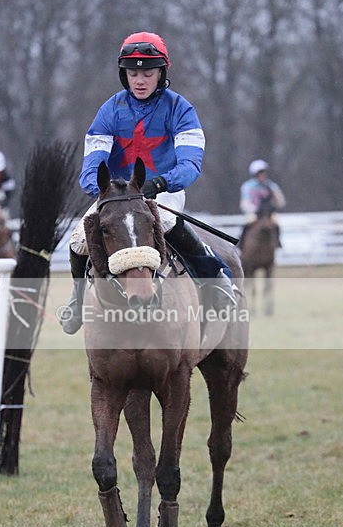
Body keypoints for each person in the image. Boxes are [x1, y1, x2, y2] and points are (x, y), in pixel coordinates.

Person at [60, 30, 237, 334]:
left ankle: (216, 280)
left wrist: (160, 183)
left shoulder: (181, 109)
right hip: (115, 195)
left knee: (167, 222)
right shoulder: (109, 110)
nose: (140, 80)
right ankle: (77, 301)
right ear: (123, 75)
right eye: (133, 73)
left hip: (161, 192)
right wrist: (101, 188)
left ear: (161, 73)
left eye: (148, 72)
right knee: (78, 239)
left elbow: (190, 164)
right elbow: (91, 166)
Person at [239, 159, 286, 249]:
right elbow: (244, 203)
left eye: (264, 172)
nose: (263, 174)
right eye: (260, 172)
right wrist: (254, 208)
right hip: (255, 212)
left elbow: (280, 201)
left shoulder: (271, 186)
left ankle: (277, 242)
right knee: (248, 222)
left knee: (276, 223)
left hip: (268, 213)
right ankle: (242, 244)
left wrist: (275, 203)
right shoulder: (248, 186)